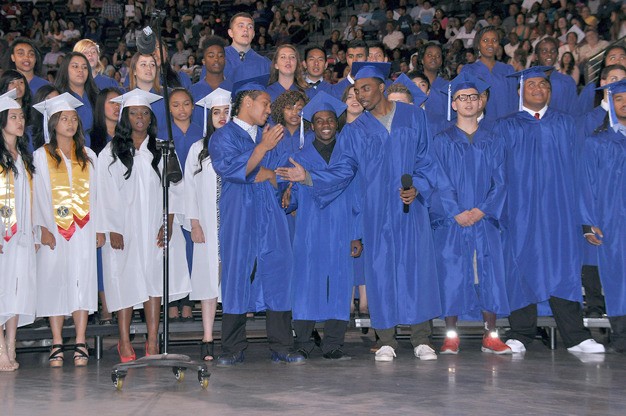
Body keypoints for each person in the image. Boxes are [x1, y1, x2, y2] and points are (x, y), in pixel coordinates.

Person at [277, 62, 441, 362]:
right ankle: (387, 339)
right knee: (379, 271)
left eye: (365, 88)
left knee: (415, 269)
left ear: (382, 86)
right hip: (375, 210)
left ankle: (421, 338)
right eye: (356, 90)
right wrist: (309, 178)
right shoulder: (354, 131)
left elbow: (427, 159)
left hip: (409, 208)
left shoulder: (414, 117)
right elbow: (342, 171)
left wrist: (417, 185)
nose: (360, 95)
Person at [497, 67, 604, 355]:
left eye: (543, 84)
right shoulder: (506, 126)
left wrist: (585, 218)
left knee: (563, 269)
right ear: (520, 91)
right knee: (520, 266)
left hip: (560, 211)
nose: (537, 88)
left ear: (550, 91)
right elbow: (496, 173)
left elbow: (580, 173)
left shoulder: (566, 124)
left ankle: (576, 336)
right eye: (531, 84)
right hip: (520, 212)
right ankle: (520, 333)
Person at [208, 70, 305, 366]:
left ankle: (281, 345)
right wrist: (261, 152)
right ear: (247, 103)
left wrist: (274, 178)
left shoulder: (273, 133)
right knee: (237, 273)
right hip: (239, 215)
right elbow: (233, 171)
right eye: (264, 103)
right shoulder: (223, 136)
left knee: (278, 270)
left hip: (271, 213)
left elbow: (280, 174)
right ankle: (232, 347)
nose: (268, 109)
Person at [96, 89, 191, 361]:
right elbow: (104, 193)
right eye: (134, 113)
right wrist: (112, 227)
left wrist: (168, 223)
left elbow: (175, 189)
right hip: (123, 228)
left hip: (153, 226)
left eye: (145, 113)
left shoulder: (162, 148)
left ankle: (152, 340)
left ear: (151, 117)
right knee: (124, 281)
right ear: (126, 117)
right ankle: (124, 342)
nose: (140, 117)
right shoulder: (111, 152)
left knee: (153, 281)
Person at [430, 73, 511, 355]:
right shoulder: (441, 140)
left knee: (489, 274)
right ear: (453, 104)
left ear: (481, 103)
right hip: (453, 221)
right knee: (452, 273)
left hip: (484, 219)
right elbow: (438, 180)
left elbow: (501, 181)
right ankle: (451, 335)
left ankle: (492, 334)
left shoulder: (494, 139)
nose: (468, 102)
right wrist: (455, 212)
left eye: (473, 97)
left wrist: (482, 209)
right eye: (462, 98)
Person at [284, 91, 360, 360]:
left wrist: (357, 234)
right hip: (309, 229)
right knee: (305, 283)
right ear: (312, 125)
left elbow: (346, 181)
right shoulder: (298, 156)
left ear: (336, 123)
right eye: (319, 120)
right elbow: (290, 197)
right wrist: (287, 197)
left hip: (342, 227)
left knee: (340, 284)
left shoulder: (348, 155)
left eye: (330, 119)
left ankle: (333, 344)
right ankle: (303, 342)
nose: (326, 124)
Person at [32, 93, 99, 367]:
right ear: (52, 123)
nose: (70, 123)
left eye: (73, 118)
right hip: (54, 231)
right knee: (55, 282)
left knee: (82, 281)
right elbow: (35, 195)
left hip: (83, 228)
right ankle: (57, 341)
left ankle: (81, 341)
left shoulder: (88, 155)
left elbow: (98, 195)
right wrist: (41, 228)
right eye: (63, 118)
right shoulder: (40, 155)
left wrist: (100, 229)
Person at [580, 79, 626, 354]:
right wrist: (588, 222)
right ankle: (622, 334)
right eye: (619, 99)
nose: (624, 103)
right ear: (610, 104)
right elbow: (586, 185)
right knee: (618, 277)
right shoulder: (597, 143)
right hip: (613, 221)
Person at [185, 88, 230, 361]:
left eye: (226, 111)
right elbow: (188, 189)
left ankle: (231, 337)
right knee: (207, 281)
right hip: (207, 225)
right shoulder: (197, 149)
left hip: (231, 224)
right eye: (216, 112)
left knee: (229, 281)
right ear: (209, 116)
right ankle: (207, 336)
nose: (222, 116)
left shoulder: (241, 145)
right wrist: (194, 223)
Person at [0, 91, 36, 371]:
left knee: (15, 289)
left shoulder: (23, 157)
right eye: (13, 117)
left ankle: (11, 346)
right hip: (2, 235)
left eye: (22, 116)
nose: (20, 121)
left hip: (21, 233)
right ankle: (1, 349)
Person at [162, 88, 204, 322]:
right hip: (171, 196)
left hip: (195, 197)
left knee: (191, 251)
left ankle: (188, 300)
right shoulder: (162, 135)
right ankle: (172, 300)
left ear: (193, 106)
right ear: (169, 108)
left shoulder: (201, 134)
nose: (181, 109)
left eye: (186, 104)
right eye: (176, 105)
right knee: (172, 251)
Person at [461, 26, 518, 121]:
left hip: (506, 126)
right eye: (485, 40)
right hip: (479, 127)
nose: (490, 44)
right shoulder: (468, 71)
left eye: (494, 40)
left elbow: (514, 101)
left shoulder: (508, 70)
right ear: (478, 45)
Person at [54, 52, 99, 143]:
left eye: (84, 67)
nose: (80, 70)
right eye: (75, 66)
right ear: (65, 70)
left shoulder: (96, 96)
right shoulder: (57, 97)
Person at [190, 36, 231, 129]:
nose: (216, 59)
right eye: (211, 56)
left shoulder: (233, 89)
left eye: (220, 56)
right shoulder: (193, 91)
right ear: (203, 61)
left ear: (225, 60)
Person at [534, 38, 578, 115]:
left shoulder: (567, 81)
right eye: (544, 51)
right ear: (536, 56)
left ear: (557, 56)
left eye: (553, 51)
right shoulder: (527, 81)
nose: (549, 54)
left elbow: (573, 111)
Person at [224, 12, 271, 81]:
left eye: (250, 27)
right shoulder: (216, 59)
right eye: (241, 26)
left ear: (253, 34)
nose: (246, 30)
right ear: (231, 33)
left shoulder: (264, 63)